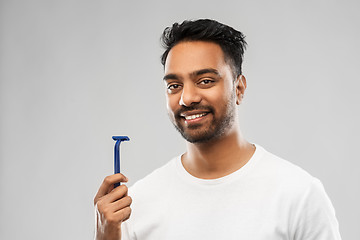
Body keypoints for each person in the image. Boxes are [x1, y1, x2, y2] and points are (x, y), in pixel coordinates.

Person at [94, 19, 342, 240]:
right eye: (174, 85)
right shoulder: (134, 205)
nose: (187, 98)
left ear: (239, 88)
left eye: (205, 81)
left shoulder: (298, 195)